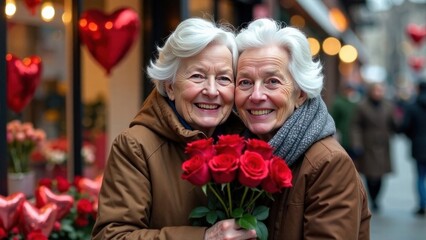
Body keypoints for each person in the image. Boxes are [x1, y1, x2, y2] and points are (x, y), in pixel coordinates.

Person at [92, 18, 257, 240]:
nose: (211, 90)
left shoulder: (249, 139)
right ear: (170, 87)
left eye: (223, 78)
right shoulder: (135, 146)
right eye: (197, 76)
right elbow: (111, 236)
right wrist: (204, 238)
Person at [234, 18, 371, 239]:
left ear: (300, 93)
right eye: (245, 82)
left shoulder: (330, 164)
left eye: (272, 82)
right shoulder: (236, 149)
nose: (256, 96)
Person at [350, 81, 397, 211]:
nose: (378, 93)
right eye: (376, 90)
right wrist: (357, 143)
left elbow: (394, 124)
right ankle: (373, 198)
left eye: (381, 91)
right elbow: (356, 126)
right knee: (371, 174)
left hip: (383, 144)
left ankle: (377, 198)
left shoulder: (388, 106)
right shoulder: (362, 106)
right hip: (368, 143)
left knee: (381, 174)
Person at [399, 80, 426, 216]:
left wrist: (412, 136)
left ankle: (422, 205)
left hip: (419, 146)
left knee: (420, 176)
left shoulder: (412, 106)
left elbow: (405, 126)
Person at [330, 82, 360, 158]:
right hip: (343, 135)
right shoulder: (338, 103)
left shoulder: (354, 102)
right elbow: (333, 118)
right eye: (349, 90)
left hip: (352, 135)